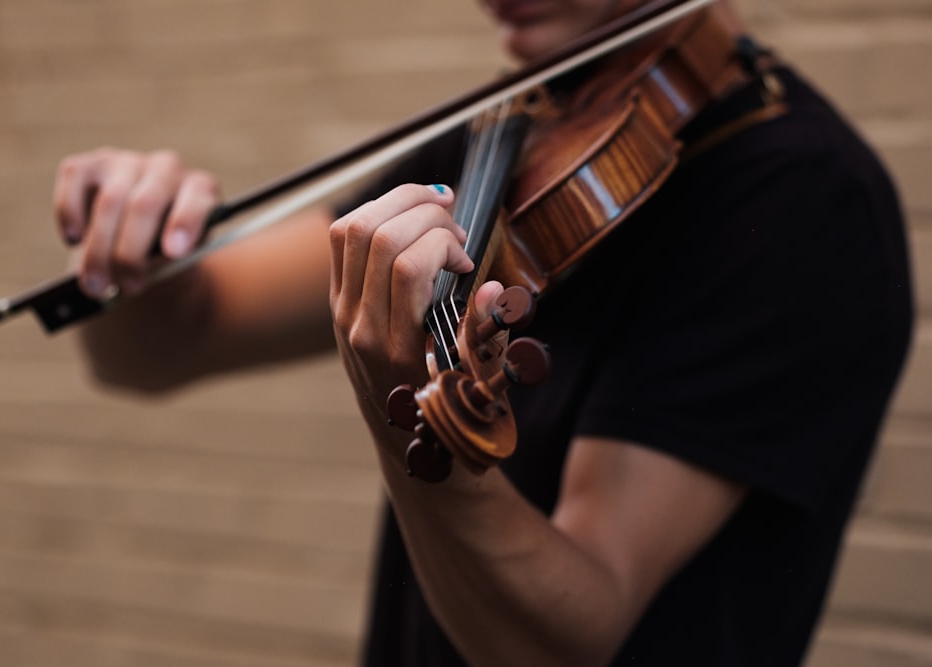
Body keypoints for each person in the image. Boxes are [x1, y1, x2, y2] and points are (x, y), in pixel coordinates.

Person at [50, 0, 914, 665]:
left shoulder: (799, 202)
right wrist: (126, 261)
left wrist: (408, 421)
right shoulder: (514, 132)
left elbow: (564, 636)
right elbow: (176, 340)